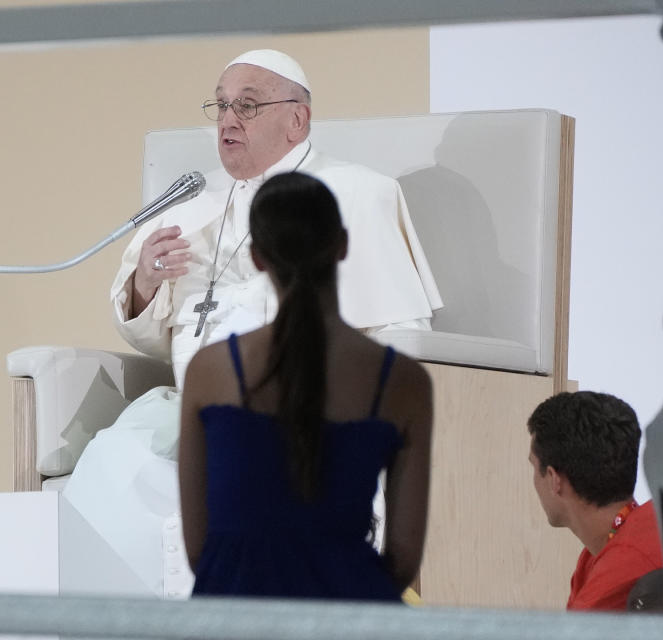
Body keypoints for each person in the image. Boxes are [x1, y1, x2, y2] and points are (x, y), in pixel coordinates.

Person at [62, 49, 442, 597]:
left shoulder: (357, 193)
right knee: (111, 467)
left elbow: (403, 333)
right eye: (219, 107)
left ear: (298, 119)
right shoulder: (192, 203)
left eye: (247, 105)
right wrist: (144, 281)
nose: (227, 120)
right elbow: (147, 338)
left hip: (306, 407)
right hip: (193, 403)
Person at [178, 172, 433, 600]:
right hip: (349, 613)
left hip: (234, 614)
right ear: (343, 245)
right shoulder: (403, 382)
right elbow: (404, 558)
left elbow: (199, 549)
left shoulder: (211, 370)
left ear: (258, 258)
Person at [527, 391, 663, 611]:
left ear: (554, 479)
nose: (534, 480)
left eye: (534, 468)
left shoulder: (620, 573)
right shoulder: (594, 558)